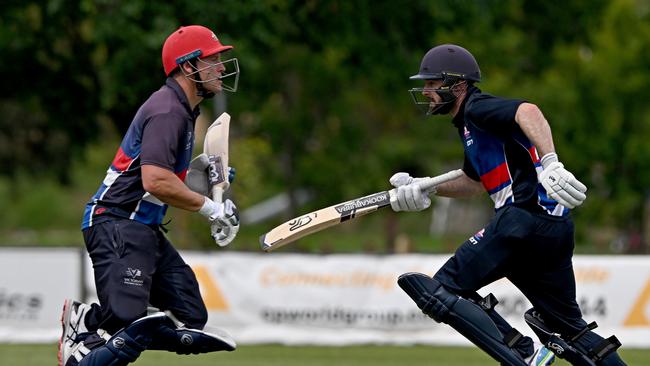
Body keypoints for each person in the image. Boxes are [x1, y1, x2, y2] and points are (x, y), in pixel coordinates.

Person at [391, 44, 626, 366]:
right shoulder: (469, 127)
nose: (427, 91)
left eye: (433, 83)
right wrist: (425, 189)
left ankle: (523, 353)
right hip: (553, 228)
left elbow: (528, 111)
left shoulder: (477, 108)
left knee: (440, 290)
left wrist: (551, 162)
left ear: (457, 84)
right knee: (568, 329)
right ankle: (531, 349)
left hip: (521, 221)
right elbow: (474, 183)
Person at [58, 25, 241, 366]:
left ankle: (94, 324)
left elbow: (164, 181)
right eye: (212, 59)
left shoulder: (183, 110)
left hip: (142, 227)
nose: (220, 66)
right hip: (117, 223)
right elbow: (155, 181)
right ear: (188, 67)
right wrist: (210, 209)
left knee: (190, 319)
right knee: (129, 325)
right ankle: (90, 339)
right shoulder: (168, 111)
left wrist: (203, 181)